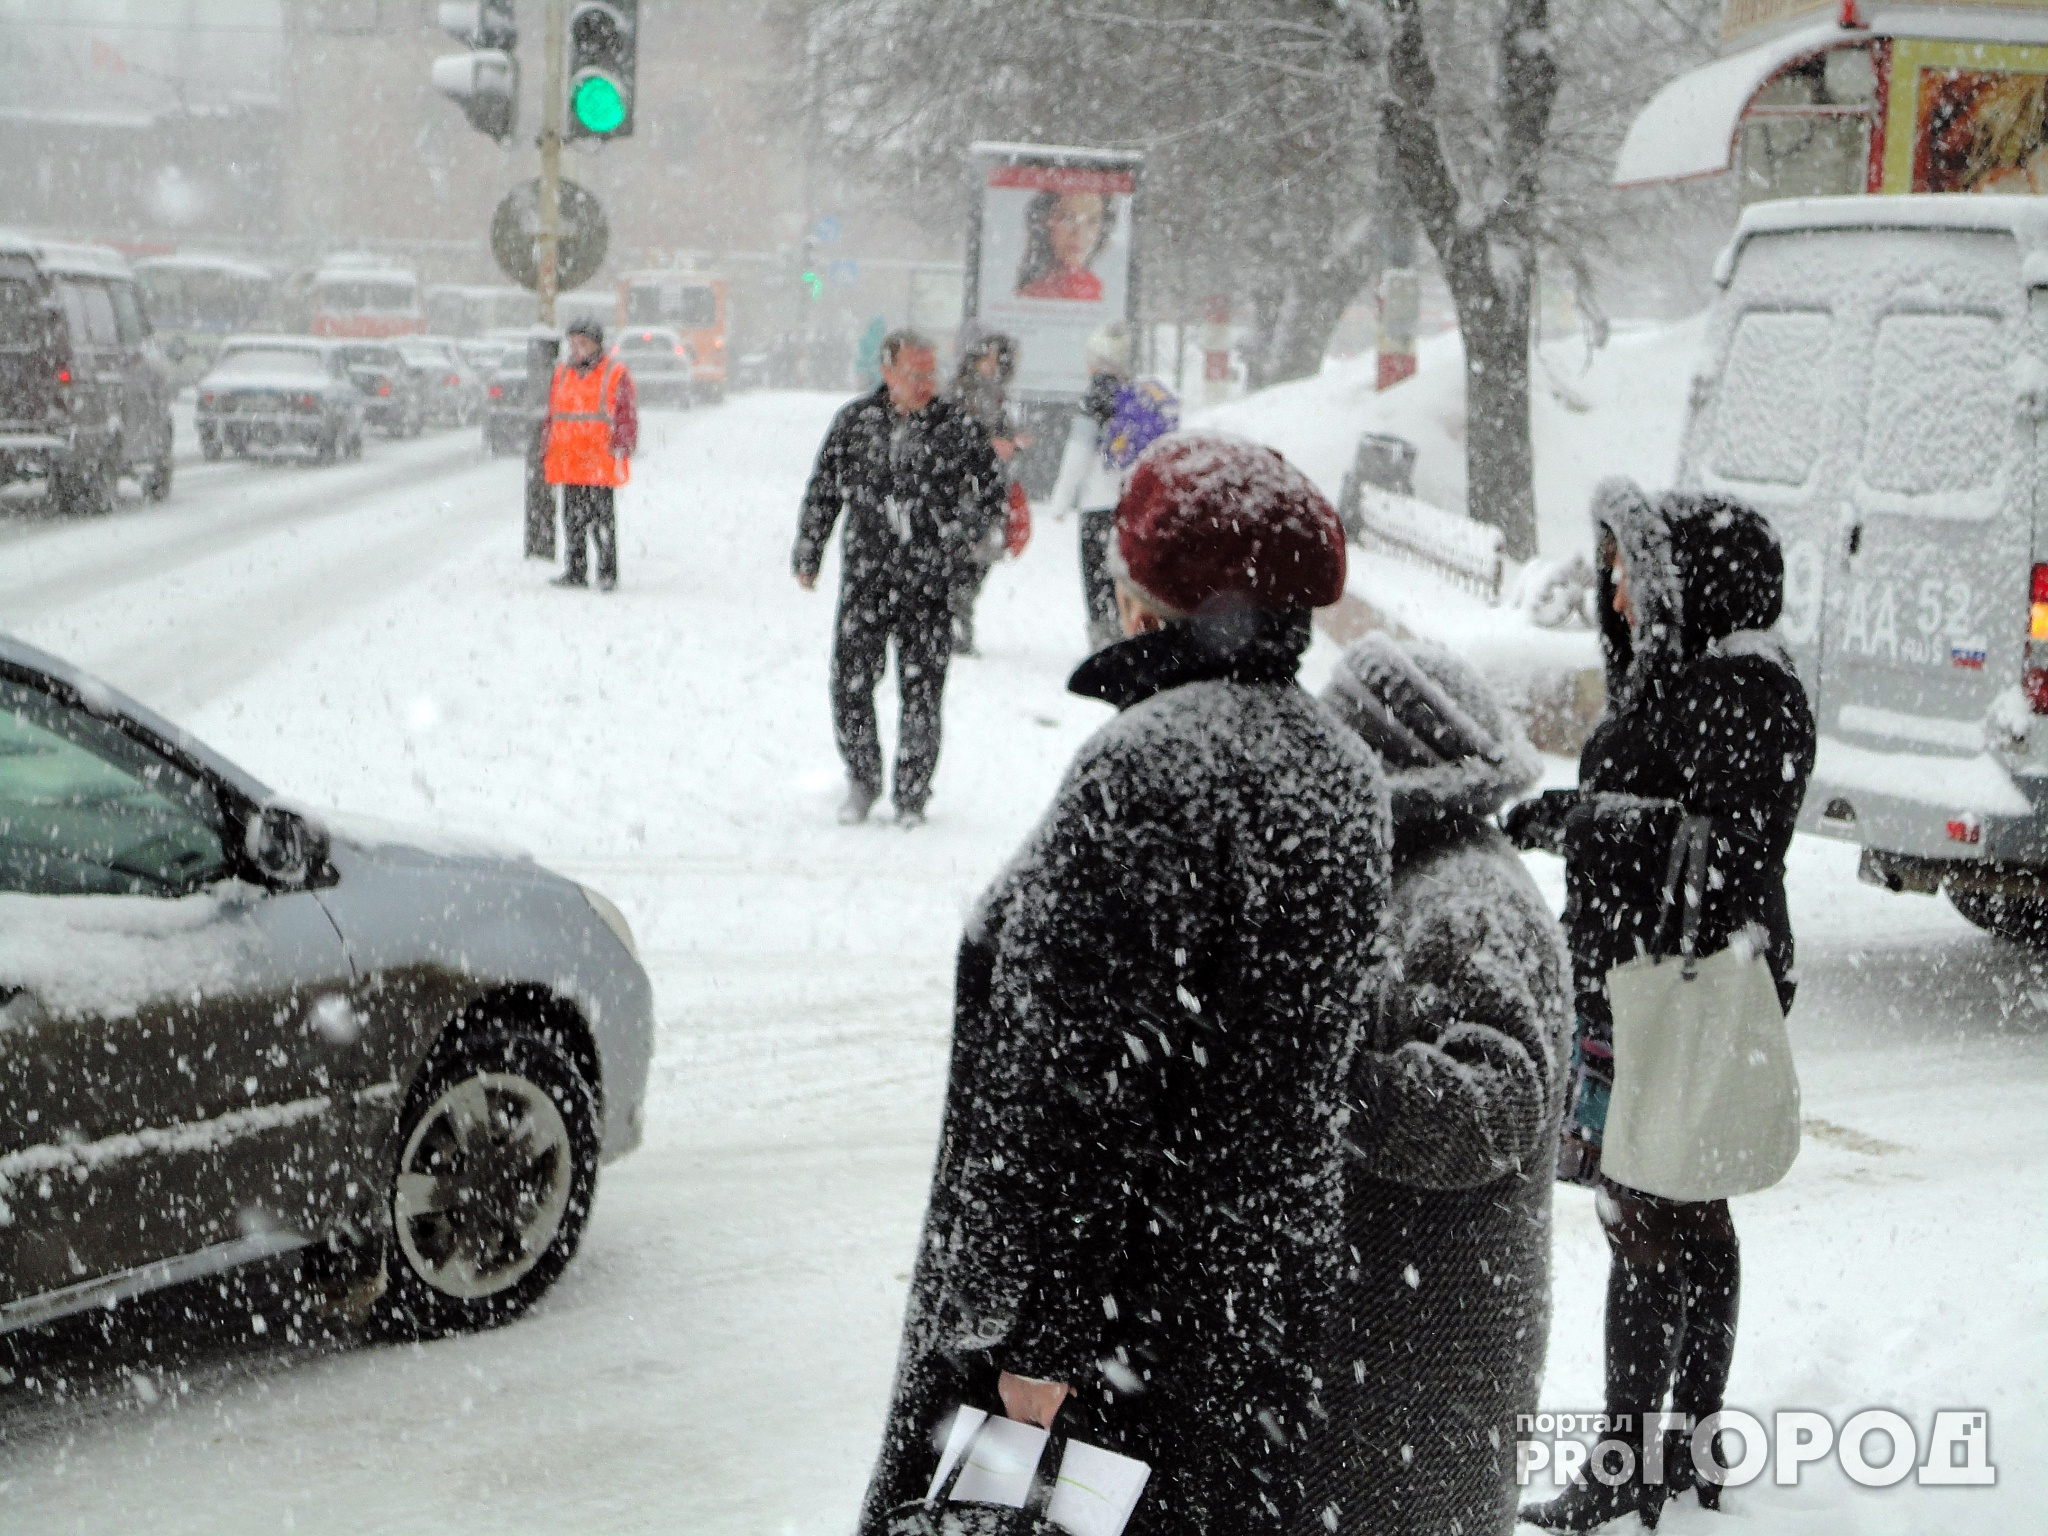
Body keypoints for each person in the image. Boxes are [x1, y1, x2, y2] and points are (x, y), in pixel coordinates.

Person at [853, 431, 1386, 1536]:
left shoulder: (1146, 767)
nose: (1111, 589)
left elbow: (1071, 1096)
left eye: (1125, 570)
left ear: (1162, 597)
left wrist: (1033, 1357)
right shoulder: (1343, 769)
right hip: (1249, 1317)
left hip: (1100, 1337)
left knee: (1010, 1526)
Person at [1504, 482, 1815, 1530]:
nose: (1618, 591)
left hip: (1680, 992)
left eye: (1632, 569)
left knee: (1644, 1213)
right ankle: (1677, 1449)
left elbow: (1719, 846)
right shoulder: (1699, 680)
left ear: (1691, 580)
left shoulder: (1736, 688)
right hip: (1660, 984)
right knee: (1681, 1210)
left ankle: (1632, 1464)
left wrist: (1578, 819)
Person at [1310, 634, 1570, 1536]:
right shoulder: (1424, 875)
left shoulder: (1460, 903)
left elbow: (1488, 1110)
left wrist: (1321, 1078)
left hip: (1424, 1369)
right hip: (1413, 1355)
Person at [792, 329, 1006, 828]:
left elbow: (992, 492)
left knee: (923, 691)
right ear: (887, 372)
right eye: (915, 374)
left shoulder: (956, 427)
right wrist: (809, 549)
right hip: (866, 577)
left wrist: (960, 535)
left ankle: (911, 794)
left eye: (932, 373)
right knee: (851, 684)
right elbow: (824, 488)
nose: (926, 383)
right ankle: (862, 780)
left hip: (929, 583)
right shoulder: (855, 423)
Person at [1048, 327, 1179, 650]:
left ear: (1094, 361)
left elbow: (1077, 453)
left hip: (1098, 504)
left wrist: (1061, 501)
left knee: (1097, 576)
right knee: (1128, 573)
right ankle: (1134, 632)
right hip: (1134, 502)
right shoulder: (1140, 397)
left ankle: (1105, 639)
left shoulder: (1094, 398)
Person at [944, 323, 1025, 656]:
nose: (993, 361)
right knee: (966, 554)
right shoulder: (960, 392)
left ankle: (959, 615)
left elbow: (999, 430)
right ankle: (955, 618)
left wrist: (1013, 442)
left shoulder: (995, 392)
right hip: (966, 487)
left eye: (996, 354)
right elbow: (953, 437)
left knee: (981, 553)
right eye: (987, 354)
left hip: (990, 486)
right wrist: (991, 445)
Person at [542, 317, 637, 591]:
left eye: (582, 343)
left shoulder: (614, 373)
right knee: (572, 520)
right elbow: (553, 413)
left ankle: (607, 573)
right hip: (569, 459)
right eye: (573, 343)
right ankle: (575, 570)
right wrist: (546, 442)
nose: (577, 349)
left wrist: (624, 442)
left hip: (599, 459)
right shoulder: (562, 374)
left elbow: (625, 413)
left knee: (600, 520)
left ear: (597, 344)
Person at [1015, 189, 1112, 300]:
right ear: (1045, 221)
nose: (1080, 234)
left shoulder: (1089, 287)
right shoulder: (1035, 288)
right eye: (1068, 218)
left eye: (1092, 221)